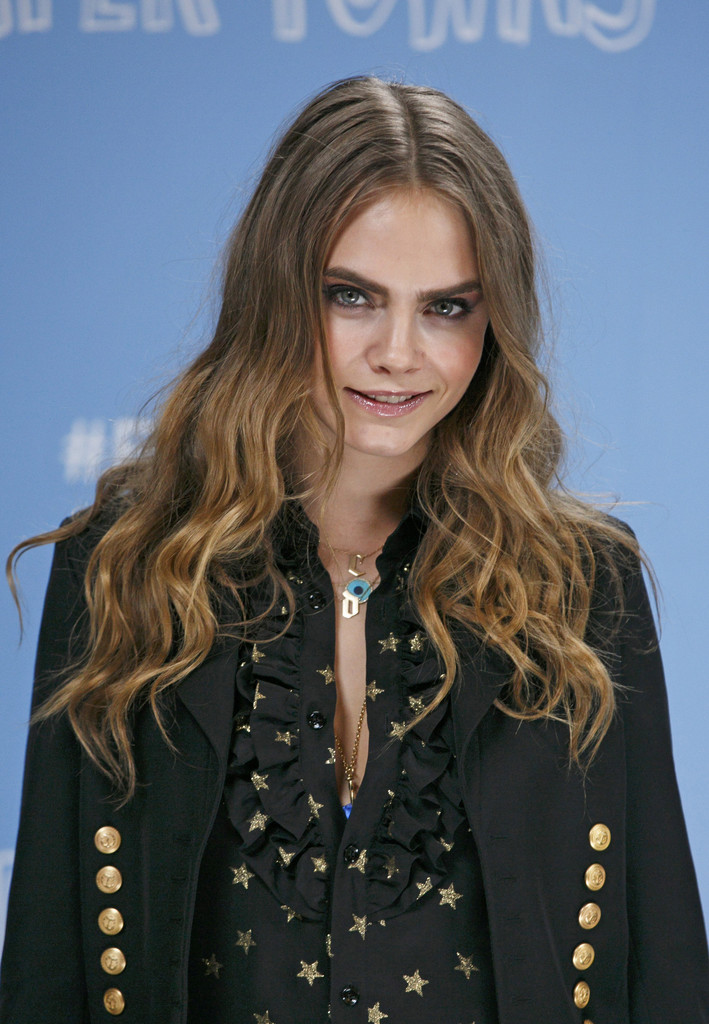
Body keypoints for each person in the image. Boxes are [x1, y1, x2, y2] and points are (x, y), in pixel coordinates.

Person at [0, 75, 707, 1024]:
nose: (398, 352)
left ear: (494, 321)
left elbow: (661, 967)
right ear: (273, 295)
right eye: (351, 297)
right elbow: (48, 967)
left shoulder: (583, 584)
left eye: (447, 307)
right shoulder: (120, 570)